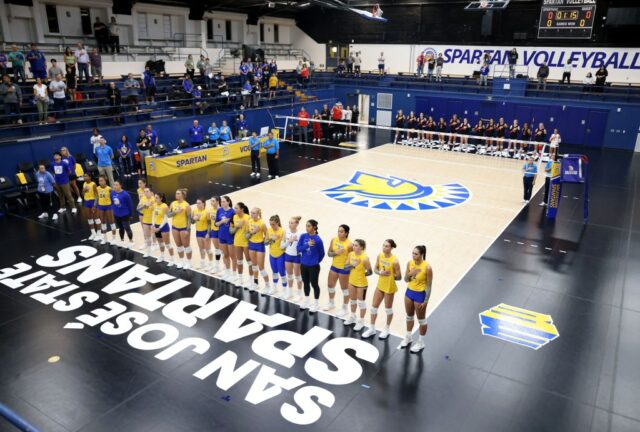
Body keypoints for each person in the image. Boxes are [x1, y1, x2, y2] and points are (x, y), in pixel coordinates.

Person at [362, 239, 402, 339]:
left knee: (388, 309)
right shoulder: (380, 256)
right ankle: (372, 329)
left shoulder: (395, 261)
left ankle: (387, 329)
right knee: (373, 308)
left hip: (389, 287)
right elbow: (375, 269)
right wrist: (381, 273)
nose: (384, 248)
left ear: (392, 248)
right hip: (380, 285)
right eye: (383, 245)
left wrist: (391, 276)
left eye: (387, 246)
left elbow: (399, 277)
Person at [400, 245, 433, 353]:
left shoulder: (427, 268)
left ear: (421, 254)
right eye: (413, 253)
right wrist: (410, 273)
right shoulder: (410, 263)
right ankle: (408, 337)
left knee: (421, 319)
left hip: (420, 294)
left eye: (416, 254)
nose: (413, 255)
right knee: (409, 316)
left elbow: (429, 286)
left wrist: (426, 300)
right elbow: (405, 279)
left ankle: (421, 342)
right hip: (409, 292)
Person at [323, 224, 352, 317]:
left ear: (346, 233)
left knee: (345, 289)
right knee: (330, 285)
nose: (339, 233)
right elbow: (329, 253)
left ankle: (345, 308)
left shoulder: (350, 245)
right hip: (334, 266)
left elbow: (352, 258)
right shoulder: (334, 240)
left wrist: (348, 269)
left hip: (344, 269)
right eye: (338, 231)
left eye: (341, 231)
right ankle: (331, 303)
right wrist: (336, 253)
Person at [343, 239, 372, 331]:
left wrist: (362, 274)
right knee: (352, 301)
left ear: (361, 247)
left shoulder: (365, 258)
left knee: (361, 303)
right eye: (353, 245)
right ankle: (352, 316)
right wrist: (353, 265)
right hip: (351, 282)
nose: (353, 247)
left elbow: (370, 272)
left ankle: (361, 321)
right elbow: (345, 268)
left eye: (356, 245)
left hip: (362, 284)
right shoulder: (351, 254)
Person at [296, 219, 325, 312]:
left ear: (314, 227)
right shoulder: (303, 236)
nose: (307, 228)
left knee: (314, 284)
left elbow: (322, 253)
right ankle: (307, 300)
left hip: (313, 266)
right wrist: (307, 245)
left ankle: (316, 304)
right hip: (303, 264)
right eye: (306, 226)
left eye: (309, 226)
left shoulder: (318, 240)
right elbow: (298, 249)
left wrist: (315, 261)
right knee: (305, 283)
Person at [248, 207, 272, 293]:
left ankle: (267, 285)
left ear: (258, 214)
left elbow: (267, 234)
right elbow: (248, 232)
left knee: (261, 267)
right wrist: (251, 233)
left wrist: (265, 240)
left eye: (254, 213)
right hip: (251, 244)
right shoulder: (249, 221)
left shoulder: (262, 223)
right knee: (254, 265)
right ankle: (255, 283)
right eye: (251, 213)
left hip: (259, 245)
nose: (252, 214)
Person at [169, 189, 192, 270]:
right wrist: (176, 212)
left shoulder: (186, 205)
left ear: (182, 195)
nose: (176, 195)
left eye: (178, 193)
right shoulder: (173, 203)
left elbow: (189, 219)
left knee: (186, 246)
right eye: (176, 193)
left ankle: (189, 262)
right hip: (175, 227)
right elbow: (168, 215)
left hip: (184, 228)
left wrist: (187, 230)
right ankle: (182, 261)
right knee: (178, 245)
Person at [281, 216, 303, 301]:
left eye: (292, 223)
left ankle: (299, 294)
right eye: (289, 222)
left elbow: (302, 247)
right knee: (289, 275)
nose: (290, 224)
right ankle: (290, 293)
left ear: (297, 224)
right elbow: (282, 246)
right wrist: (289, 241)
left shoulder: (301, 234)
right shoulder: (286, 232)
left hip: (297, 257)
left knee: (298, 276)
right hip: (288, 256)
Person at [229, 201, 249, 286]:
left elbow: (249, 233)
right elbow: (231, 231)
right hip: (237, 242)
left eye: (236, 208)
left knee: (250, 262)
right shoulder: (233, 217)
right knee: (239, 261)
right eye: (234, 208)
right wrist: (237, 226)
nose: (234, 209)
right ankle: (240, 279)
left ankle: (251, 280)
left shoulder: (248, 218)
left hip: (246, 243)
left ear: (241, 209)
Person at [215, 196, 236, 281]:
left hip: (230, 236)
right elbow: (216, 224)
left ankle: (234, 274)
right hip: (221, 235)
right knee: (225, 254)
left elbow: (235, 225)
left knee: (232, 255)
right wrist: (222, 222)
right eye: (221, 202)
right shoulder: (219, 210)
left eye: (224, 202)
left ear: (228, 202)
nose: (222, 203)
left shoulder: (233, 212)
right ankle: (227, 272)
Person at [266, 214, 287, 296]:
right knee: (274, 272)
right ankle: (275, 288)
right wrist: (271, 240)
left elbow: (285, 245)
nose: (272, 226)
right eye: (270, 224)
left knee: (282, 272)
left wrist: (279, 239)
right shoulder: (269, 230)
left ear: (277, 223)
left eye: (273, 224)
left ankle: (285, 290)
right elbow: (265, 242)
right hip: (272, 254)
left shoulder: (282, 231)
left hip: (281, 255)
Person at [111, 181, 134, 248]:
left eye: (117, 185)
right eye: (114, 185)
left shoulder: (125, 194)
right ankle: (122, 240)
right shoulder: (112, 193)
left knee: (127, 228)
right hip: (116, 214)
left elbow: (130, 205)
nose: (115, 186)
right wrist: (114, 209)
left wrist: (131, 214)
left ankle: (131, 241)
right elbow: (112, 202)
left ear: (120, 185)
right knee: (120, 228)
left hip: (124, 214)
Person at [192, 198, 213, 270]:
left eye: (199, 203)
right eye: (197, 203)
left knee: (208, 249)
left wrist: (208, 233)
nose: (197, 205)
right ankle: (203, 263)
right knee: (201, 249)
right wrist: (194, 218)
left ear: (203, 203)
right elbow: (192, 222)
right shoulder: (195, 210)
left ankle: (211, 264)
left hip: (205, 232)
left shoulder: (207, 212)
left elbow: (210, 224)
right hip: (198, 232)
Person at [95, 175, 116, 244]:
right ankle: (105, 238)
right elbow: (97, 197)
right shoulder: (97, 188)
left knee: (111, 222)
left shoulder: (109, 189)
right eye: (99, 181)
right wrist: (95, 205)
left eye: (102, 180)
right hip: (101, 206)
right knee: (103, 222)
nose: (100, 182)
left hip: (108, 206)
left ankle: (114, 238)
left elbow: (113, 198)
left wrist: (113, 206)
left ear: (105, 181)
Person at [137, 186, 155, 257]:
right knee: (147, 236)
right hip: (146, 220)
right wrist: (144, 205)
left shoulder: (154, 200)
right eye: (144, 191)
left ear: (151, 192)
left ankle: (155, 244)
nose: (145, 193)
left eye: (147, 191)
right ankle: (148, 251)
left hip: (153, 221)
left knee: (153, 235)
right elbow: (138, 208)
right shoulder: (143, 199)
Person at [207, 196, 223, 273]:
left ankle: (226, 268)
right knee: (217, 249)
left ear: (217, 202)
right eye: (211, 201)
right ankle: (217, 266)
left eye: (213, 201)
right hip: (214, 231)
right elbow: (209, 222)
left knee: (223, 250)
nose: (211, 202)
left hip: (221, 231)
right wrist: (208, 231)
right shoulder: (210, 210)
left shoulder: (221, 210)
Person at [82, 172, 98, 237]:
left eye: (86, 176)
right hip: (86, 202)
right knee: (89, 218)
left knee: (96, 218)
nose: (85, 177)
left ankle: (99, 233)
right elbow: (83, 194)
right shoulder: (84, 184)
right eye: (84, 176)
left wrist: (94, 205)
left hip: (93, 201)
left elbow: (97, 195)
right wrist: (84, 190)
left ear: (90, 177)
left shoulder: (93, 184)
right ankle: (93, 233)